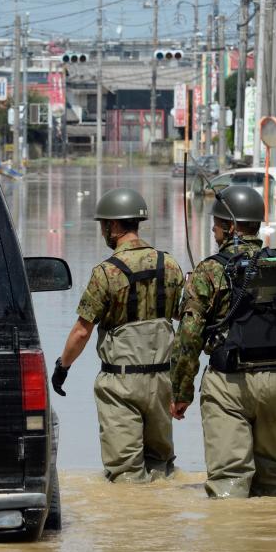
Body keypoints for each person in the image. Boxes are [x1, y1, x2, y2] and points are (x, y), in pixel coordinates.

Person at [169, 185, 276, 498]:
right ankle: (275, 541)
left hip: (228, 385)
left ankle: (234, 542)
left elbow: (188, 336)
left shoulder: (209, 271)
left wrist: (181, 391)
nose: (213, 230)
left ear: (228, 227)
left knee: (229, 480)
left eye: (215, 224)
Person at [51, 188, 185, 483]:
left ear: (112, 226)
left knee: (126, 475)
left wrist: (63, 367)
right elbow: (183, 316)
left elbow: (81, 331)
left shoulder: (106, 273)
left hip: (121, 383)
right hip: (163, 381)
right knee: (162, 468)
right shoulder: (170, 265)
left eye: (103, 225)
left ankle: (128, 525)